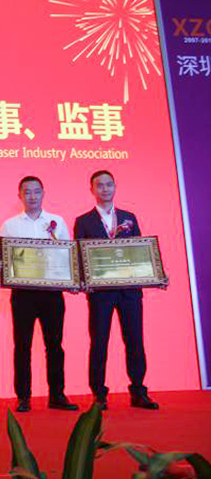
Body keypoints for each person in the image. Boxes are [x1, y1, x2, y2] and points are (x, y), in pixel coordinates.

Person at [74, 170, 160, 410]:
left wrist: (154, 274)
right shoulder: (83, 221)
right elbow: (79, 256)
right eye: (100, 185)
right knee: (99, 342)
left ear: (115, 187)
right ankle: (99, 394)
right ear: (92, 190)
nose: (105, 189)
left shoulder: (129, 217)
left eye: (109, 184)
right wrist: (83, 281)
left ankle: (138, 391)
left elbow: (140, 251)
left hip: (130, 291)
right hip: (100, 293)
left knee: (135, 340)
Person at [0, 176, 78, 412]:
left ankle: (57, 395)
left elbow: (67, 256)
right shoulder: (9, 225)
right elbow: (5, 258)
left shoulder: (57, 221)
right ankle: (23, 397)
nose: (32, 196)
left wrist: (72, 278)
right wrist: (2, 265)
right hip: (22, 294)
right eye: (27, 192)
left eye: (36, 191)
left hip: (51, 294)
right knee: (22, 345)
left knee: (55, 345)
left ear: (43, 193)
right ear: (20, 196)